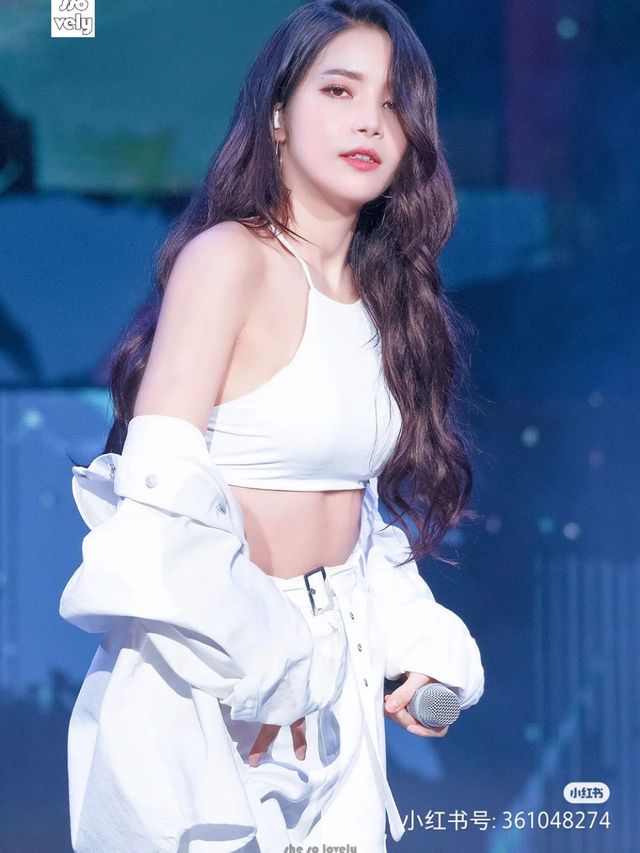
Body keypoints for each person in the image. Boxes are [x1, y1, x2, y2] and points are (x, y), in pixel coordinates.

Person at [59, 1, 485, 850]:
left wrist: (419, 642)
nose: (370, 120)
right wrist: (267, 671)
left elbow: (354, 514)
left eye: (394, 102)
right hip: (212, 674)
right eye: (340, 89)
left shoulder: (387, 298)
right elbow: (160, 504)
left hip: (335, 687)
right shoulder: (229, 259)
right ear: (279, 116)